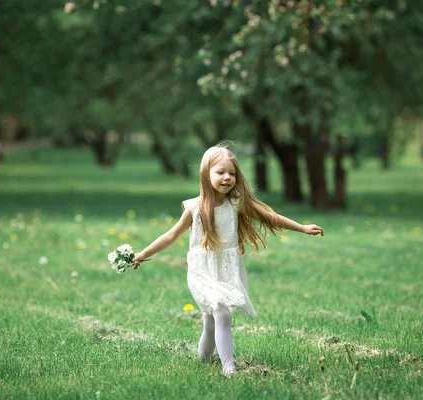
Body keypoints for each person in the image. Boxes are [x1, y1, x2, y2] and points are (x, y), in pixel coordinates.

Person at [132, 143, 323, 375]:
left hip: (226, 269)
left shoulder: (235, 204)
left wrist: (301, 228)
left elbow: (269, 217)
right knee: (222, 312)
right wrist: (142, 254)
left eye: (232, 173)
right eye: (220, 172)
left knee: (211, 320)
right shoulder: (194, 208)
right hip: (202, 271)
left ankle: (202, 362)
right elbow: (171, 235)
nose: (227, 178)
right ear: (206, 174)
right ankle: (228, 367)